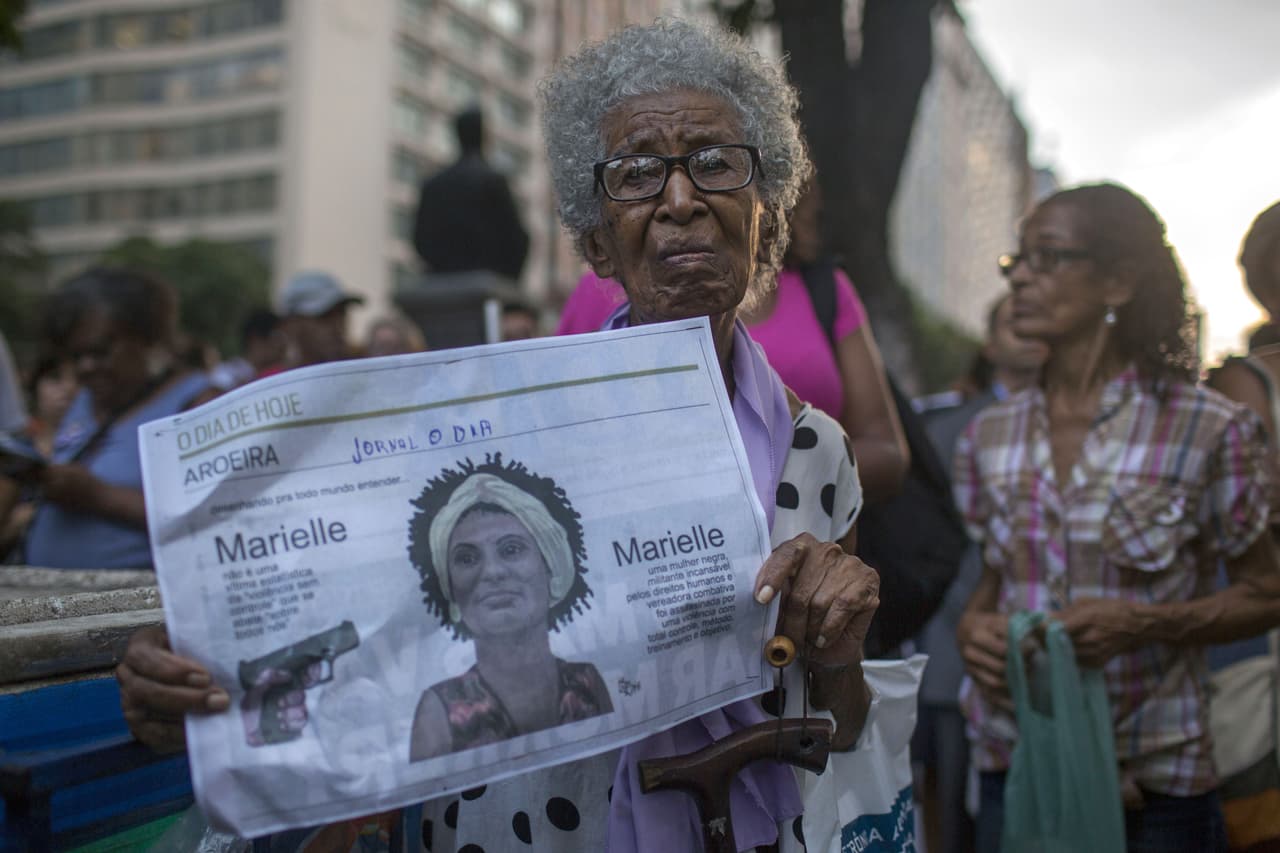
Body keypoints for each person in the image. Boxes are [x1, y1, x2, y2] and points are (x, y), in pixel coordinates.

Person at [116, 19, 880, 851]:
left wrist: (840, 651)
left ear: (765, 217)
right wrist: (202, 659)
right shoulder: (491, 436)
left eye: (715, 162)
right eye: (636, 175)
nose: (681, 198)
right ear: (595, 241)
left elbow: (838, 728)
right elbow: (342, 615)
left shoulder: (822, 453)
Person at [955, 183, 1280, 852]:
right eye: (1017, 262)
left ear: (1119, 281)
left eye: (1048, 258)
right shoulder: (987, 435)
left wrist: (1143, 625)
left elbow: (1266, 591)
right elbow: (996, 577)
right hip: (1020, 761)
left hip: (1155, 779)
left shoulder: (1207, 427)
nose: (1022, 278)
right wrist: (975, 628)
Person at [556, 179, 908, 502]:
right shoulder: (598, 296)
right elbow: (553, 445)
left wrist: (773, 479)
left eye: (713, 166)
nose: (682, 201)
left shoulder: (825, 289)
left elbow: (887, 450)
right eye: (647, 172)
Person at [910, 293, 1048, 853]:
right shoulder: (944, 428)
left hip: (1048, 662)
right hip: (953, 655)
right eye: (1014, 320)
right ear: (990, 345)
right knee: (955, 830)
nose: (1032, 325)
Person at [407, 456, 613, 761]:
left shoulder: (588, 685)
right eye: (467, 558)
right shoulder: (438, 713)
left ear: (551, 568)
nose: (492, 572)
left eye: (511, 550)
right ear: (450, 586)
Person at [11, 268, 215, 570]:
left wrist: (99, 496)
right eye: (75, 356)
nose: (86, 367)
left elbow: (216, 516)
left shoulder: (198, 403)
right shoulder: (84, 400)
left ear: (147, 337)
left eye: (100, 352)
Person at [413, 105, 529, 285]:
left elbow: (420, 241)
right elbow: (517, 238)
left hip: (439, 282)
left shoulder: (432, 185)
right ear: (484, 136)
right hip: (485, 282)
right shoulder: (493, 181)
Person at [278, 271, 363, 368]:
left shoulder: (365, 372)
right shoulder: (272, 381)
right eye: (325, 316)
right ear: (291, 325)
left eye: (342, 313)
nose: (337, 325)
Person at [208, 309, 286, 390]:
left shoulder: (277, 372)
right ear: (255, 340)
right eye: (277, 338)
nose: (281, 346)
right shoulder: (226, 374)